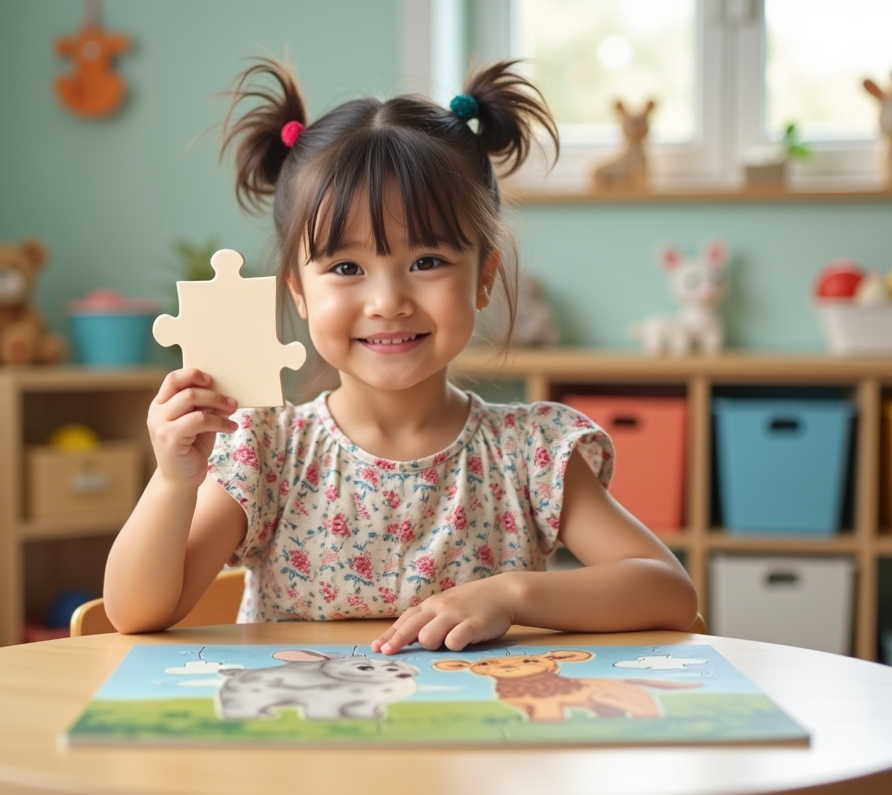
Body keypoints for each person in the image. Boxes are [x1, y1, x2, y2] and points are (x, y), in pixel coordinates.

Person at [103, 58, 697, 652]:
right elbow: (134, 613)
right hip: (304, 740)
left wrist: (512, 596)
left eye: (427, 262)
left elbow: (669, 592)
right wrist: (172, 483)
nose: (387, 301)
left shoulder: (531, 454)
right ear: (298, 291)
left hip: (477, 741)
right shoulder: (265, 451)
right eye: (346, 267)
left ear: (484, 276)